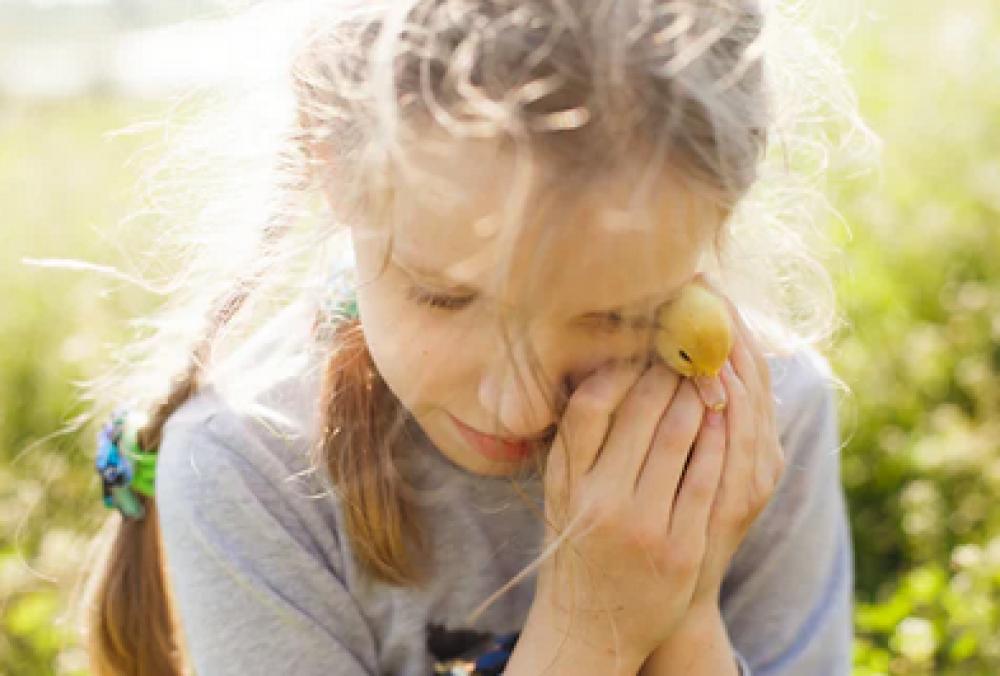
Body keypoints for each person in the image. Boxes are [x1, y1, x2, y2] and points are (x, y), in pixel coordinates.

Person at [78, 0, 870, 674]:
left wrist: (686, 620)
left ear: (718, 214)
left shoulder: (764, 427)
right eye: (444, 297)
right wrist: (590, 633)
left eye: (617, 315)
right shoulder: (251, 470)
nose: (518, 407)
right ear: (335, 169)